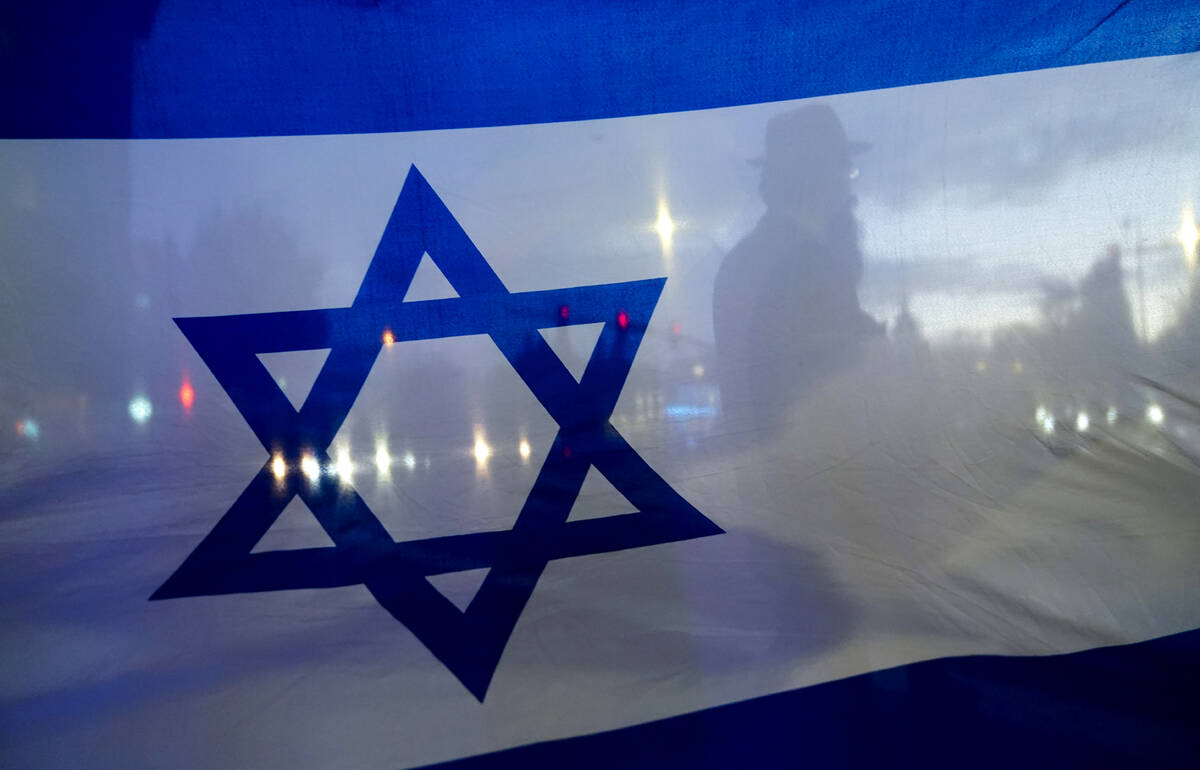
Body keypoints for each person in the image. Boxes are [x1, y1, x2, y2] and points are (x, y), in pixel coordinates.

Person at [712, 103, 883, 435]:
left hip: (772, 469)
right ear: (820, 177)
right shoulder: (809, 265)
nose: (852, 190)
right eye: (847, 172)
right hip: (813, 466)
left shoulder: (746, 260)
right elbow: (834, 386)